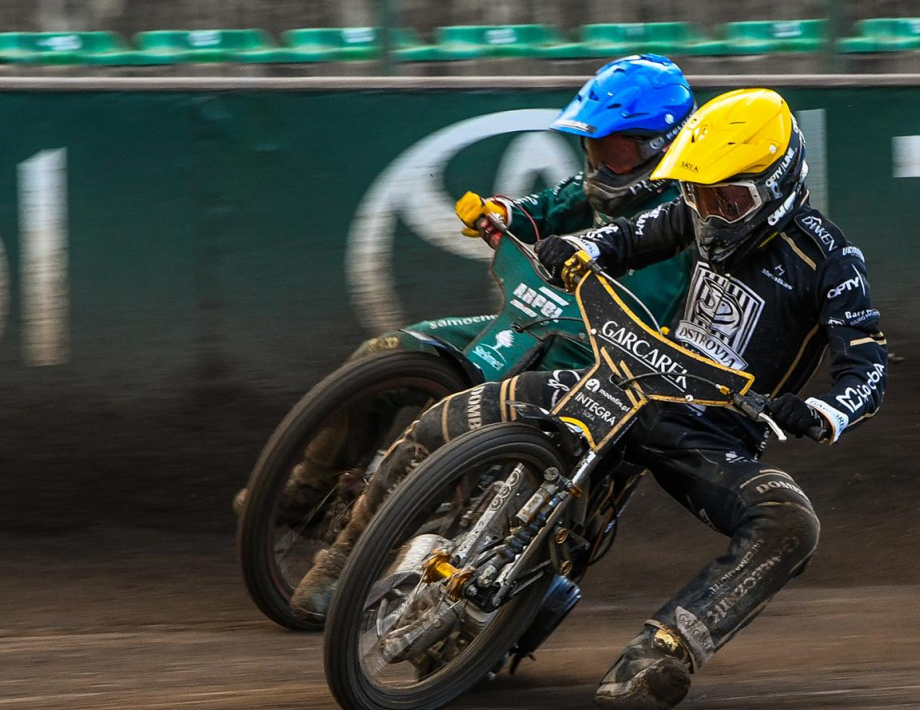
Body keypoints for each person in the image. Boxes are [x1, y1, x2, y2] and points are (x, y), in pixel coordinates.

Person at [296, 86, 887, 710]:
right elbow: (628, 236)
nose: (712, 215)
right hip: (620, 381)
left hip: (712, 431)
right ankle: (345, 559)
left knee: (789, 522)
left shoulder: (831, 260)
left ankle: (664, 652)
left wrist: (822, 411)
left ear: (781, 184)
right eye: (699, 196)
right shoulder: (692, 214)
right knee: (443, 420)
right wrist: (581, 249)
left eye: (729, 200)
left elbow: (868, 364)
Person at [287, 54, 695, 611]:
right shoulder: (601, 183)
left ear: (660, 144)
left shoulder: (694, 205)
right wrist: (504, 212)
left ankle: (347, 564)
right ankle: (304, 493)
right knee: (387, 353)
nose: (600, 158)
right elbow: (553, 204)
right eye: (592, 145)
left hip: (606, 369)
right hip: (537, 324)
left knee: (448, 435)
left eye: (614, 147)